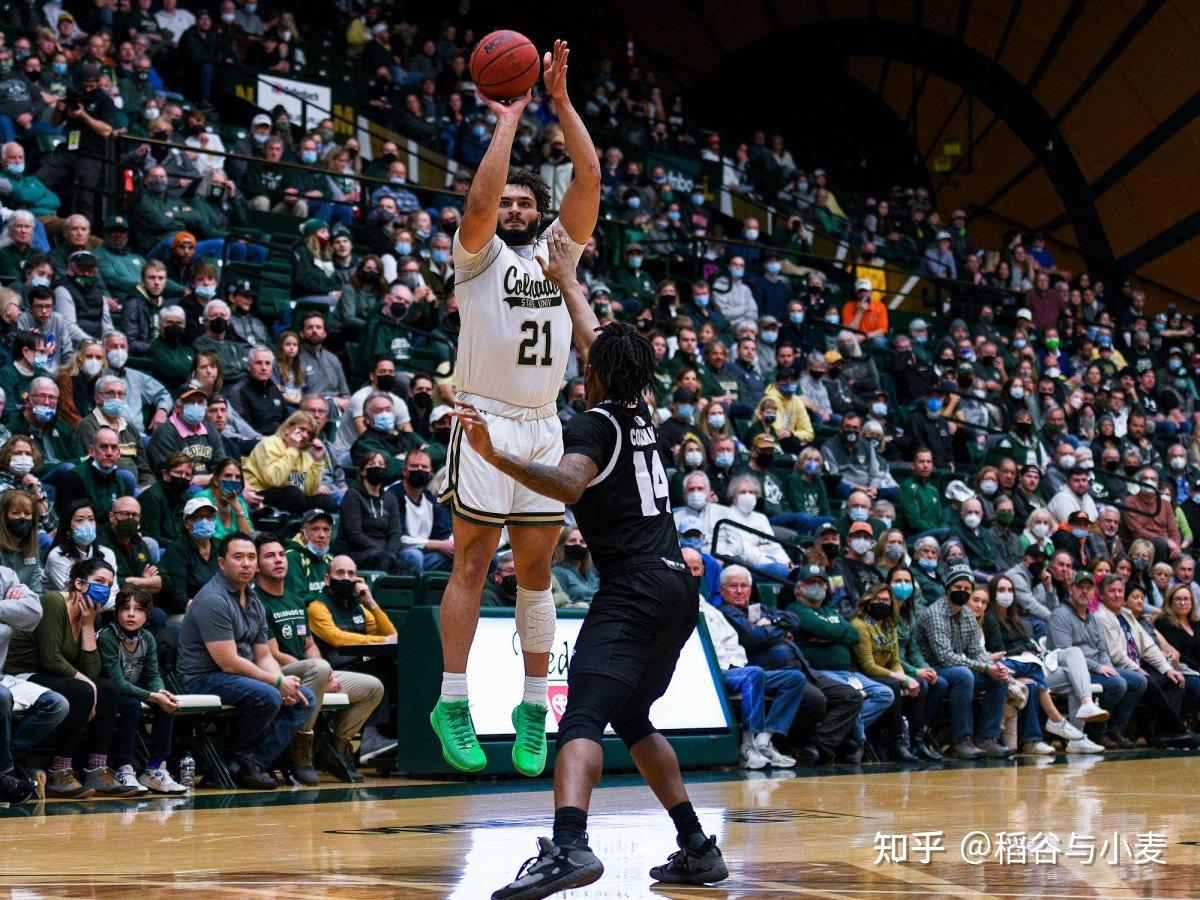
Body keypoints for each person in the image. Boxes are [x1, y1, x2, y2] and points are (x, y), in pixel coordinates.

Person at [459, 245, 727, 896]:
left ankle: (571, 848)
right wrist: (568, 283)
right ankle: (696, 846)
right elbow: (599, 342)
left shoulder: (596, 424)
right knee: (632, 718)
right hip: (677, 591)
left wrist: (498, 457)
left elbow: (571, 484)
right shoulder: (643, 415)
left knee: (580, 718)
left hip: (635, 587)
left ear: (596, 375)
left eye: (587, 361)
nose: (581, 362)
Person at [431, 39, 601, 785]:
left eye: (527, 202)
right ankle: (453, 700)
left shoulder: (559, 255)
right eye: (511, 203)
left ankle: (535, 705)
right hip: (484, 419)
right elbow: (476, 203)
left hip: (543, 421)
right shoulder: (479, 257)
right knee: (471, 559)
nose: (517, 209)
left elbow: (590, 180)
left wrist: (562, 107)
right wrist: (509, 118)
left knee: (538, 570)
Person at [176, 534, 315, 790]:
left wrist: (282, 683)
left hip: (237, 677)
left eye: (251, 557)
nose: (246, 564)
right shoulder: (213, 599)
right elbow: (228, 662)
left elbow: (263, 655)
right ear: (221, 562)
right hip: (202, 677)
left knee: (304, 699)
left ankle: (248, 761)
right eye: (238, 557)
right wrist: (276, 683)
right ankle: (230, 760)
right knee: (268, 696)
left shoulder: (253, 599)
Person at [255, 535, 384, 785]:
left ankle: (333, 746)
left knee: (373, 687)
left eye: (281, 554)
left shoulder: (294, 598)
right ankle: (301, 746)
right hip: (278, 673)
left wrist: (329, 675)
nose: (279, 560)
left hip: (313, 673)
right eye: (270, 556)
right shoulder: (258, 601)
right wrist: (319, 672)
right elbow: (271, 654)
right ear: (258, 566)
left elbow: (310, 644)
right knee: (319, 667)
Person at [3, 558, 137, 797]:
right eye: (99, 581)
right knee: (84, 690)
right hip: (22, 673)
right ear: (79, 583)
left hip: (49, 676)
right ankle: (59, 771)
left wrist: (87, 625)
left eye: (109, 584)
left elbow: (92, 669)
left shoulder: (91, 613)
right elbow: (50, 659)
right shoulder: (54, 601)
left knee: (108, 689)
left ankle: (96, 768)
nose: (104, 589)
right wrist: (87, 684)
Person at [696, 562, 800, 769]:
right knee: (754, 673)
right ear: (721, 589)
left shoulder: (711, 610)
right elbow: (753, 635)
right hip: (718, 673)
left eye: (743, 586)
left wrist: (771, 623)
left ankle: (764, 741)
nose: (739, 591)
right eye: (733, 586)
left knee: (795, 679)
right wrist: (777, 628)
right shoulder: (720, 610)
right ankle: (747, 745)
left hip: (738, 668)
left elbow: (794, 620)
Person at [786, 565, 897, 758]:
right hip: (820, 672)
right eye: (811, 582)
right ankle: (857, 742)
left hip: (847, 673)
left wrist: (830, 634)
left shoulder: (830, 612)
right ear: (800, 588)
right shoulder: (796, 610)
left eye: (821, 582)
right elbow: (827, 629)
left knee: (885, 694)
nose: (817, 586)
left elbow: (854, 636)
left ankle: (840, 729)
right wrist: (835, 634)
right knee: (853, 695)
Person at [913, 564, 1014, 759]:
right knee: (964, 674)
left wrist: (994, 667)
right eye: (958, 587)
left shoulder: (967, 613)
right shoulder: (935, 613)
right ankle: (961, 740)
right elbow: (946, 657)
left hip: (957, 668)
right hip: (932, 668)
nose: (962, 591)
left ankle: (987, 738)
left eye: (967, 588)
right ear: (948, 588)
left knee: (1001, 677)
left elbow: (976, 650)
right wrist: (985, 666)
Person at [306, 554, 399, 764]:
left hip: (356, 668)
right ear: (327, 579)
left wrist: (370, 601)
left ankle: (385, 737)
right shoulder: (317, 607)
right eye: (340, 573)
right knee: (381, 669)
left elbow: (391, 635)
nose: (346, 578)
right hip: (332, 672)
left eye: (351, 574)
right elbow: (335, 638)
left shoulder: (358, 607)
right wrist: (381, 640)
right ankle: (371, 738)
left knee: (391, 668)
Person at [97, 588, 186, 794]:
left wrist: (160, 692)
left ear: (147, 616)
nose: (130, 614)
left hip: (133, 690)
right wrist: (152, 695)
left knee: (166, 706)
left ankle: (155, 769)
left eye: (138, 609)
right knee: (132, 706)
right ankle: (123, 768)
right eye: (125, 608)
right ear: (117, 612)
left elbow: (153, 675)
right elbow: (117, 682)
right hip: (108, 693)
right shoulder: (107, 637)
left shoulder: (147, 638)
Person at [1048, 571, 1145, 750]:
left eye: (1088, 588)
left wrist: (1106, 665)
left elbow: (1101, 649)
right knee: (1118, 684)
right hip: (1073, 671)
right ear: (1071, 589)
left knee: (1139, 681)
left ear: (1094, 592)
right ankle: (1098, 732)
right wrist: (1099, 667)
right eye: (1080, 587)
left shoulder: (1092, 617)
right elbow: (1065, 654)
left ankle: (1116, 728)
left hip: (1097, 668)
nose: (1084, 591)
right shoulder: (1060, 615)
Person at [849, 582, 941, 761]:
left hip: (886, 673)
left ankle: (918, 742)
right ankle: (897, 743)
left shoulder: (890, 625)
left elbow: (895, 661)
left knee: (920, 683)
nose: (882, 603)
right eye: (878, 599)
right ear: (868, 602)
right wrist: (901, 678)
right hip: (863, 675)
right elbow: (868, 666)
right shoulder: (859, 625)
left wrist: (905, 677)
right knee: (893, 684)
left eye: (886, 600)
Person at [243, 411, 337, 516]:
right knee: (294, 494)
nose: (305, 435)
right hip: (259, 495)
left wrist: (317, 461)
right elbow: (273, 481)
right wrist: (293, 449)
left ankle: (309, 526)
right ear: (288, 427)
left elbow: (310, 491)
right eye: (302, 429)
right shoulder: (269, 443)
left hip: (292, 497)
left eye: (309, 433)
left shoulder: (304, 454)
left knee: (328, 501)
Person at [388, 448, 454, 575]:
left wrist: (452, 546)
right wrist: (438, 545)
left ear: (430, 473)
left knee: (460, 558)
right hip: (399, 553)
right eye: (414, 466)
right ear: (404, 471)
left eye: (424, 467)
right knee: (415, 556)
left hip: (427, 556)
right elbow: (398, 538)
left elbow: (443, 533)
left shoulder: (430, 499)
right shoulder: (392, 496)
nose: (419, 470)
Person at [157, 496, 221, 617]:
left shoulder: (221, 546)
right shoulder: (176, 550)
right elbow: (178, 597)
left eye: (209, 517)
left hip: (220, 608)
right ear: (187, 523)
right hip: (187, 612)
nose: (205, 521)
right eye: (199, 517)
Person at [44, 499, 119, 594]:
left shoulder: (106, 553)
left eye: (91, 519)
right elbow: (75, 596)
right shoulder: (57, 556)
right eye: (80, 520)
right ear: (67, 529)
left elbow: (114, 592)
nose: (87, 524)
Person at [194, 456, 252, 540]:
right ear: (216, 481)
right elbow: (205, 537)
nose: (233, 480)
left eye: (238, 477)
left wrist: (238, 510)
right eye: (228, 476)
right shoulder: (203, 499)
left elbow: (248, 540)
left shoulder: (240, 503)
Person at [551, 527, 599, 606]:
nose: (577, 544)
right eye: (572, 541)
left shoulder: (591, 574)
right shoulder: (557, 573)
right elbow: (561, 603)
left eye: (582, 542)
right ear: (562, 545)